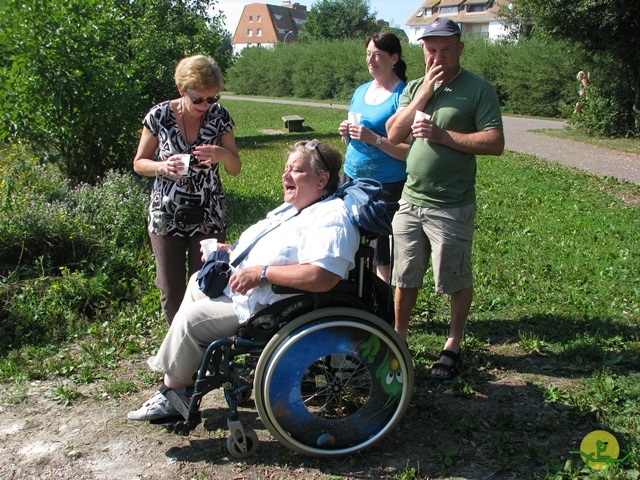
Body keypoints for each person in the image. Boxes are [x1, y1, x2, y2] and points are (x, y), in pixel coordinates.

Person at [128, 141, 360, 421]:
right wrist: (231, 252)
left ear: (322, 179)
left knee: (193, 319)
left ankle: (172, 392)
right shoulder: (297, 208)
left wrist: (261, 273)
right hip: (250, 293)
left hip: (272, 305)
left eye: (295, 171)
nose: (285, 176)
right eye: (286, 169)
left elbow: (322, 276)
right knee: (196, 285)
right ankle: (188, 377)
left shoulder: (330, 218)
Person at [385, 18, 504, 380]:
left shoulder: (478, 89)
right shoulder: (416, 87)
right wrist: (422, 96)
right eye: (431, 49)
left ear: (460, 49)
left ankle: (453, 344)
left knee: (453, 274)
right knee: (404, 274)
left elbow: (495, 143)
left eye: (446, 49)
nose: (438, 56)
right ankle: (399, 337)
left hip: (451, 204)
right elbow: (393, 133)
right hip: (410, 200)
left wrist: (442, 135)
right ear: (423, 50)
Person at [133, 55, 241, 325]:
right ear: (182, 90)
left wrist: (223, 155)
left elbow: (235, 167)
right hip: (167, 213)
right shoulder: (159, 116)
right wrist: (161, 167)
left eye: (211, 99)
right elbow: (139, 163)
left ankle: (201, 348)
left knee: (207, 285)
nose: (205, 105)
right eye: (198, 100)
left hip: (208, 214)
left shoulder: (220, 117)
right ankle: (178, 344)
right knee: (171, 290)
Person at [338, 32, 410, 283]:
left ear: (394, 58)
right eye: (368, 54)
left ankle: (380, 303)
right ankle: (356, 295)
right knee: (350, 239)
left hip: (385, 185)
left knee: (381, 250)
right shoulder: (360, 91)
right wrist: (346, 133)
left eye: (377, 55)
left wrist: (374, 139)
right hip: (350, 178)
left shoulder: (403, 95)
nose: (371, 60)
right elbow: (354, 138)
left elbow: (409, 151)